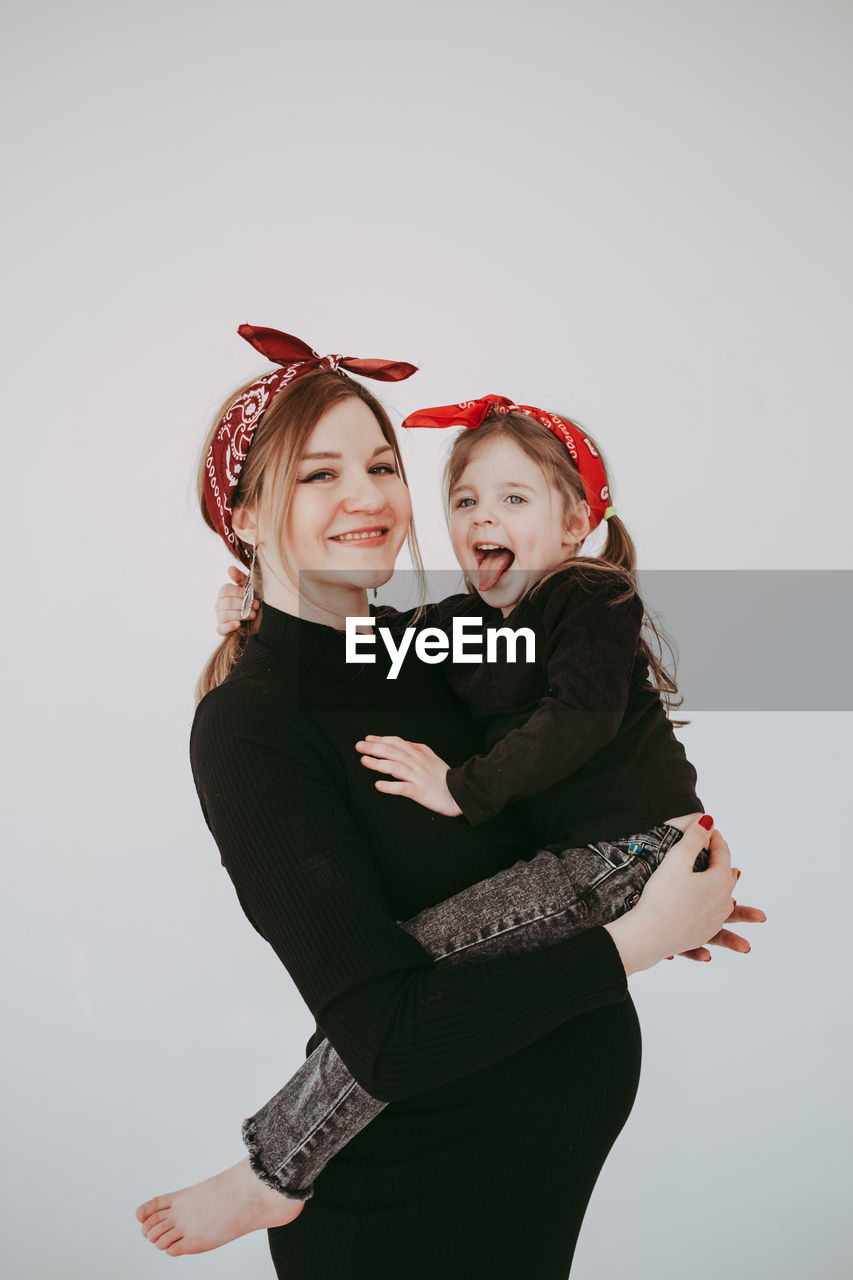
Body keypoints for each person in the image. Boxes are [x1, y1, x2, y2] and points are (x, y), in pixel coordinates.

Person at [136, 327, 761, 1278]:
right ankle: (272, 1166)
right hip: (408, 1207)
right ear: (246, 517)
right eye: (318, 475)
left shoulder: (441, 651)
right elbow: (386, 1037)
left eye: (383, 464)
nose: (368, 496)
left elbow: (590, 741)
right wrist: (634, 940)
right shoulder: (249, 729)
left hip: (529, 1185)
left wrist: (661, 883)